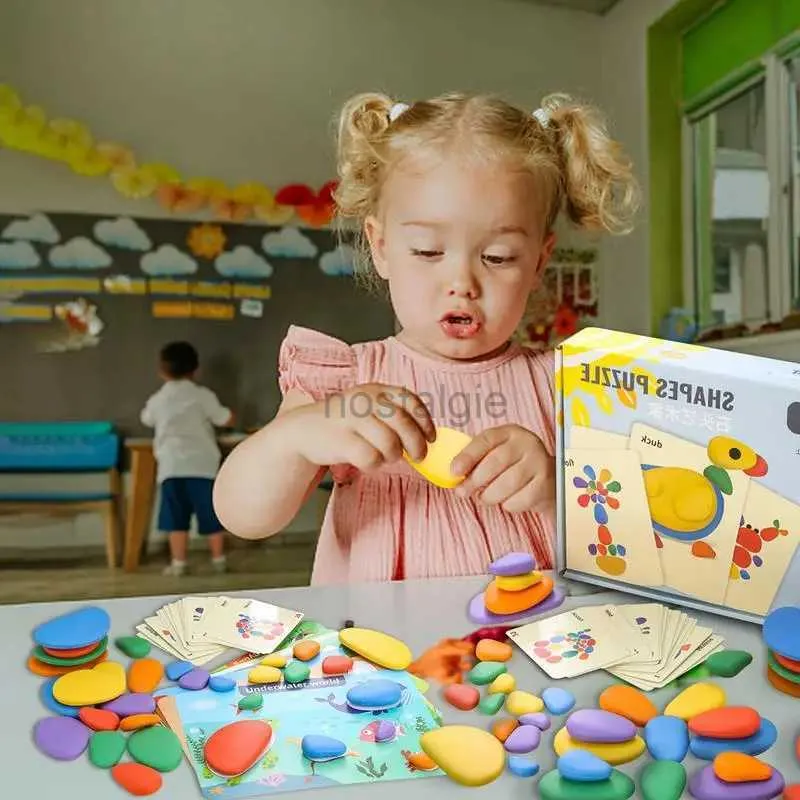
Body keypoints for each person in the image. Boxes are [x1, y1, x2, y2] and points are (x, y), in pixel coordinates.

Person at [214, 91, 638, 584]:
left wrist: (559, 491)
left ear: (539, 262)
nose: (462, 281)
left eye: (498, 256)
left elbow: (634, 539)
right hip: (386, 646)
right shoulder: (345, 382)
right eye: (428, 250)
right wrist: (295, 437)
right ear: (382, 247)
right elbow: (243, 517)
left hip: (534, 639)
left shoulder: (567, 385)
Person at [141, 341, 234, 576]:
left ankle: (179, 563)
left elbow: (146, 419)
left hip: (172, 467)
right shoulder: (203, 396)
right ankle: (218, 559)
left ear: (161, 370)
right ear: (196, 369)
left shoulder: (158, 399)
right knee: (211, 514)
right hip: (203, 466)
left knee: (176, 518)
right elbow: (224, 418)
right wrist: (231, 415)